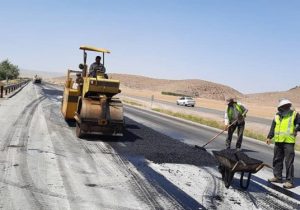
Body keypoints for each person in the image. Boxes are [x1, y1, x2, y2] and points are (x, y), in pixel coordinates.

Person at [266, 99, 300, 189]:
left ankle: (289, 181)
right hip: (278, 141)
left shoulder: (294, 114)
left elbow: (299, 123)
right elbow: (273, 127)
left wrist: (296, 128)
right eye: (283, 106)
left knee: (288, 162)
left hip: (289, 141)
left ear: (289, 106)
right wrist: (269, 137)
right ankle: (277, 177)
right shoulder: (277, 116)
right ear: (280, 107)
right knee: (277, 159)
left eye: (287, 106)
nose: (285, 107)